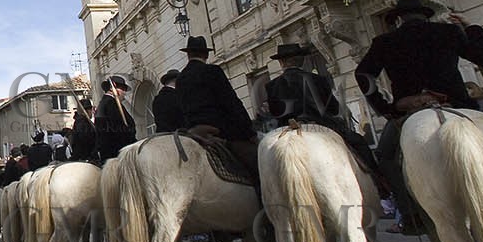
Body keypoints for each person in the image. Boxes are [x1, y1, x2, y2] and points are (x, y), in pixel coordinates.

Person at [355, 0, 483, 235]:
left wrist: (386, 108)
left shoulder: (385, 41)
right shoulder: (448, 32)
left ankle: (410, 215)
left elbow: (364, 75)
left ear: (398, 19)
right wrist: (471, 28)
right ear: (425, 15)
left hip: (411, 109)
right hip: (457, 104)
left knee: (386, 157)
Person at [263, 42, 377, 173]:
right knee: (359, 142)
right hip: (319, 126)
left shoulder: (272, 86)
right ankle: (380, 183)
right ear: (301, 60)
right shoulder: (317, 79)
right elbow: (334, 108)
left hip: (288, 130)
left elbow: (275, 113)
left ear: (281, 62)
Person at [173, 36, 258, 174]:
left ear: (188, 55)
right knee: (257, 162)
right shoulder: (212, 71)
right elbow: (231, 102)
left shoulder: (181, 78)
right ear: (206, 54)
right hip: (218, 129)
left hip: (192, 130)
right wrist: (249, 131)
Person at [94, 77, 137, 161]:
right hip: (117, 152)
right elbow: (117, 130)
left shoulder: (105, 103)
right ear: (113, 88)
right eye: (123, 89)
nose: (124, 93)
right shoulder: (111, 104)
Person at [152, 70, 184, 134]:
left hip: (162, 134)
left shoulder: (157, 98)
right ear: (176, 81)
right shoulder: (176, 96)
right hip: (178, 134)